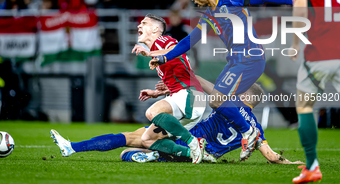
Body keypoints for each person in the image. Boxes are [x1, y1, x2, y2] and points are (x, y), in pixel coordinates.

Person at [150, 0, 292, 161]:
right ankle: (250, 134)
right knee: (220, 101)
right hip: (234, 62)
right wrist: (165, 57)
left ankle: (249, 132)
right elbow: (189, 41)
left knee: (216, 100)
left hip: (250, 58)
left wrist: (295, 1)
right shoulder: (208, 16)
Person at [50, 78, 303, 165]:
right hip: (205, 154)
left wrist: (189, 76)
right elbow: (270, 155)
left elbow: (212, 94)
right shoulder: (255, 128)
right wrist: (291, 162)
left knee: (132, 141)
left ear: (247, 96)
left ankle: (72, 148)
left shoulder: (230, 103)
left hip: (190, 141)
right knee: (133, 146)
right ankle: (155, 155)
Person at [288, 0, 340, 183]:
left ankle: (312, 166)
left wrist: (296, 42)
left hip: (319, 51)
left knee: (304, 105)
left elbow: (300, 11)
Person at [131, 14, 206, 163]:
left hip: (192, 95)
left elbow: (175, 50)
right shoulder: (157, 53)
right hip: (186, 98)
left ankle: (193, 143)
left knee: (152, 112)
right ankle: (196, 154)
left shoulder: (163, 41)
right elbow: (182, 71)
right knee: (148, 139)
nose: (139, 26)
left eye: (144, 23)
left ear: (155, 29)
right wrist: (159, 92)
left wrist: (150, 53)